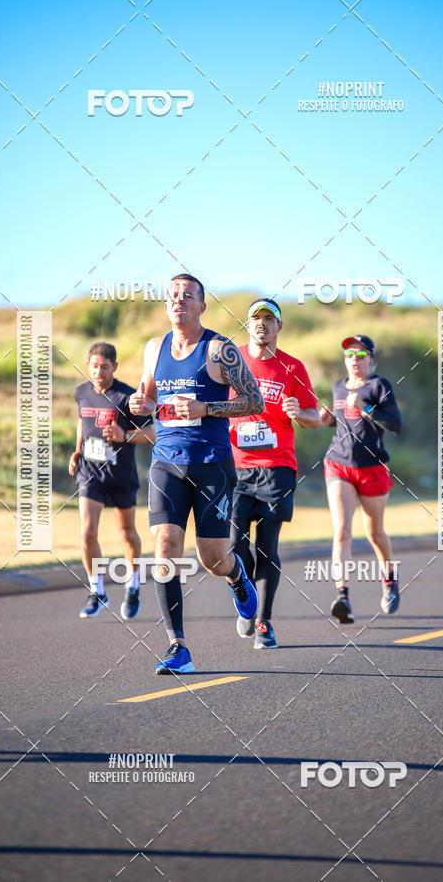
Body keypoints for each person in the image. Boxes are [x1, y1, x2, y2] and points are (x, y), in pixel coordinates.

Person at [129, 273, 265, 675]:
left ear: (201, 306)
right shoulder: (154, 348)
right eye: (173, 295)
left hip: (212, 465)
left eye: (188, 296)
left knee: (212, 560)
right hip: (166, 461)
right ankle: (178, 647)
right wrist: (141, 401)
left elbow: (254, 399)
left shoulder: (219, 349)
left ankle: (238, 576)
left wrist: (205, 409)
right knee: (166, 546)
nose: (179, 301)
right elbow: (148, 394)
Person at [228, 299, 320, 648]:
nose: (262, 324)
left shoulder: (292, 367)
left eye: (269, 319)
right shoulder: (230, 359)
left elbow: (314, 417)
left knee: (267, 547)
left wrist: (299, 412)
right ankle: (245, 596)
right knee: (233, 545)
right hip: (235, 466)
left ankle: (263, 622)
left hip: (276, 468)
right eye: (256, 319)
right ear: (248, 324)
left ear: (280, 326)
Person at [320, 335, 403, 622]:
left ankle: (390, 579)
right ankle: (342, 596)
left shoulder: (379, 386)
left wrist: (366, 408)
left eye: (360, 355)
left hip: (372, 467)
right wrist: (329, 417)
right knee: (342, 530)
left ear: (371, 359)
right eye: (349, 355)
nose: (354, 360)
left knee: (374, 534)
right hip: (339, 464)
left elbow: (396, 425)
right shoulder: (338, 387)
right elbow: (343, 422)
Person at [69, 342, 154, 620]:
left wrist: (125, 436)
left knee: (127, 533)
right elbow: (83, 421)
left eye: (104, 367)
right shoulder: (81, 392)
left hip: (121, 475)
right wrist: (78, 449)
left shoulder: (127, 396)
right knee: (86, 533)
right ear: (88, 365)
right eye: (93, 366)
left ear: (114, 367)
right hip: (90, 472)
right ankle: (97, 591)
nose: (98, 372)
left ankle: (132, 585)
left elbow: (153, 432)